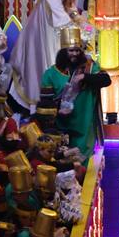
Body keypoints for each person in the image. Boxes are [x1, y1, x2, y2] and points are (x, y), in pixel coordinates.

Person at [9, 0, 78, 112]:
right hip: (44, 37)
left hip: (43, 34)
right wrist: (80, 26)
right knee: (44, 70)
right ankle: (41, 110)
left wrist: (74, 15)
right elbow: (62, 21)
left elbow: (67, 11)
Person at [40, 26, 110, 161]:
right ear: (63, 51)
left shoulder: (89, 67)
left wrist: (84, 77)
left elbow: (106, 80)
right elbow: (45, 104)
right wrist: (58, 110)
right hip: (60, 129)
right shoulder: (50, 74)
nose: (75, 54)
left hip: (85, 128)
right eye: (71, 50)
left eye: (77, 50)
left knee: (83, 166)